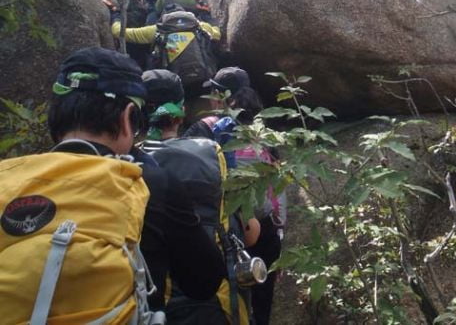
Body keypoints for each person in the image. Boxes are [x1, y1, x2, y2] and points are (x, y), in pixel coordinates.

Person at [0, 47, 226, 324]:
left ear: (54, 114)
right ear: (127, 117)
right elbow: (204, 282)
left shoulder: (7, 178)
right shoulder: (149, 183)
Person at [184, 67, 284, 325]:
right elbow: (278, 178)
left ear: (220, 96)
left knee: (229, 293)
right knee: (263, 293)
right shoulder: (263, 128)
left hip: (228, 225)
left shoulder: (204, 129)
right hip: (265, 223)